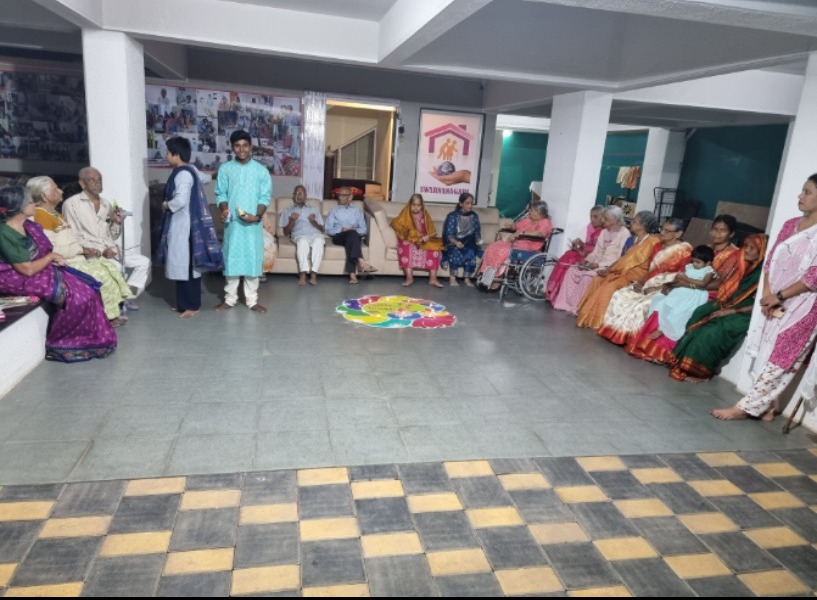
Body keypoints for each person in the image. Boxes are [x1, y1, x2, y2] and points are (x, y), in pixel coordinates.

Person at [711, 175, 817, 421]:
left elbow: (813, 277)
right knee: (765, 352)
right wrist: (769, 293)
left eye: (807, 192)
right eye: (802, 191)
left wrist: (780, 295)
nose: (800, 196)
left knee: (781, 357)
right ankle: (768, 407)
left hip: (804, 306)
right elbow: (770, 260)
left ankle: (744, 408)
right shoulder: (791, 225)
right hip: (774, 300)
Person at [0, 186, 116, 362]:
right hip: (15, 277)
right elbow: (27, 269)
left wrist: (50, 258)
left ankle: (91, 339)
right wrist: (51, 257)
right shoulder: (5, 232)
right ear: (19, 208)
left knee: (89, 289)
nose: (34, 205)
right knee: (75, 298)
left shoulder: (27, 225)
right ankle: (64, 343)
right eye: (30, 202)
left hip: (38, 268)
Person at [626, 214, 742, 365]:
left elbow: (720, 283)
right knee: (661, 301)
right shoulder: (706, 248)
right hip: (689, 286)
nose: (717, 233)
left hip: (709, 292)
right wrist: (671, 284)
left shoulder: (733, 255)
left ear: (731, 234)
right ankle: (646, 347)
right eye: (715, 229)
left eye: (723, 230)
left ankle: (663, 353)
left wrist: (687, 285)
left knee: (679, 308)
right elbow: (686, 271)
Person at [28, 176, 131, 327]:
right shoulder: (40, 216)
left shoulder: (53, 214)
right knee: (99, 275)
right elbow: (51, 248)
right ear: (44, 196)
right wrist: (82, 250)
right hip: (62, 262)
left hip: (76, 256)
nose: (61, 191)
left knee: (108, 268)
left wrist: (86, 250)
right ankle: (102, 318)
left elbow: (73, 239)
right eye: (56, 189)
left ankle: (109, 314)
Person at [670, 234, 766, 382]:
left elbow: (761, 303)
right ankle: (682, 361)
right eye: (746, 246)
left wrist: (732, 311)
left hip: (745, 312)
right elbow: (725, 285)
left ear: (761, 252)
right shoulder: (742, 264)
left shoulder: (764, 274)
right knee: (700, 313)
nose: (746, 250)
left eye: (752, 248)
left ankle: (701, 372)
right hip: (728, 303)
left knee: (712, 332)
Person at [62, 166, 152, 306]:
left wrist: (117, 222)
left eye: (99, 179)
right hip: (92, 253)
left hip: (112, 250)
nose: (97, 183)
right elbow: (74, 236)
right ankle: (117, 301)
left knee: (143, 262)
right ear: (82, 183)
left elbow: (113, 235)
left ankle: (125, 295)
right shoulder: (72, 204)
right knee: (116, 268)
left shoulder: (106, 205)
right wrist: (101, 251)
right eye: (92, 180)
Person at [155, 136, 223, 319]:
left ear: (176, 155)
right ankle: (183, 304)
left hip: (184, 226)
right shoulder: (190, 169)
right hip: (183, 225)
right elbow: (205, 178)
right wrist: (216, 174)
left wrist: (166, 205)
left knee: (187, 267)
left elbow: (180, 200)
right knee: (182, 266)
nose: (166, 156)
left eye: (168, 153)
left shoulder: (183, 174)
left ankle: (192, 306)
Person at [597, 218, 692, 346]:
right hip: (648, 284)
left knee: (640, 306)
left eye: (667, 231)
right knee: (620, 295)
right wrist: (641, 283)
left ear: (678, 234)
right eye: (662, 229)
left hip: (666, 289)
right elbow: (650, 269)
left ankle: (630, 338)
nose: (662, 233)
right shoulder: (657, 246)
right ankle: (614, 333)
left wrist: (656, 289)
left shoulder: (685, 251)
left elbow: (681, 277)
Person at [214, 130, 271, 313]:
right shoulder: (225, 169)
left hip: (253, 226)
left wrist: (257, 216)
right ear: (232, 147)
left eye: (245, 145)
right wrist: (224, 210)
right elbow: (221, 194)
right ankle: (230, 299)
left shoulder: (261, 171)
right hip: (233, 225)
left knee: (252, 261)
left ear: (251, 147)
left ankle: (252, 301)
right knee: (231, 260)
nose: (242, 149)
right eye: (237, 146)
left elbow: (264, 197)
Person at [575, 211, 661, 329]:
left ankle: (598, 321)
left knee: (608, 287)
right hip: (622, 270)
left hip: (635, 275)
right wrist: (608, 269)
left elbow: (650, 264)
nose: (631, 223)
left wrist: (642, 282)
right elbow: (623, 259)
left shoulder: (653, 241)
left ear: (643, 226)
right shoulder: (634, 239)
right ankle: (587, 315)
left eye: (635, 221)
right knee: (597, 279)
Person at [550, 205, 630, 314]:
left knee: (587, 277)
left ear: (615, 220)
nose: (602, 220)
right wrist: (586, 261)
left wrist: (599, 265)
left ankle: (578, 307)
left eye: (605, 218)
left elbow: (619, 257)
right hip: (595, 263)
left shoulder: (624, 233)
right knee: (572, 270)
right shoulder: (604, 232)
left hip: (608, 267)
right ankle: (564, 304)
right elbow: (596, 251)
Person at [476, 201, 553, 290]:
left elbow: (540, 234)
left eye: (531, 210)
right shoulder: (528, 220)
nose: (529, 212)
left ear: (538, 212)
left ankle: (497, 280)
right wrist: (511, 226)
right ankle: (487, 276)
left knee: (503, 251)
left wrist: (522, 233)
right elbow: (516, 226)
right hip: (517, 243)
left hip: (529, 247)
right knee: (493, 246)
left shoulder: (545, 222)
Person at [646, 244, 716, 342]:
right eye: (693, 261)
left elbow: (703, 283)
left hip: (695, 294)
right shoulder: (690, 267)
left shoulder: (708, 271)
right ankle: (659, 326)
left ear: (708, 263)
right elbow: (679, 280)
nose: (694, 264)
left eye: (698, 262)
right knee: (663, 303)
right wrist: (672, 284)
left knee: (679, 311)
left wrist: (686, 279)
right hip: (681, 290)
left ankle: (662, 330)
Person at [546, 205, 605, 303]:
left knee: (570, 259)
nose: (592, 219)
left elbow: (597, 251)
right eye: (591, 216)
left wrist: (582, 249)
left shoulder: (603, 232)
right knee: (568, 254)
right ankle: (554, 292)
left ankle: (559, 294)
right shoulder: (593, 230)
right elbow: (589, 246)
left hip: (592, 259)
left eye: (596, 217)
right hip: (586, 255)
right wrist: (580, 245)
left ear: (603, 218)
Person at [390, 193, 444, 288]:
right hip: (409, 238)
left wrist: (427, 237)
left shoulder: (425, 214)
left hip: (422, 239)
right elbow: (396, 224)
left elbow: (431, 231)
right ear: (410, 204)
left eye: (418, 205)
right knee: (405, 246)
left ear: (422, 206)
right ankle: (409, 278)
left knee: (435, 250)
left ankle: (433, 279)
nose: (416, 208)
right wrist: (409, 233)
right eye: (414, 205)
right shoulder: (405, 213)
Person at [325, 185, 377, 284]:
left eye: (343, 195)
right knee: (353, 236)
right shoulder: (334, 211)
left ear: (350, 197)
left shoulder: (357, 211)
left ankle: (353, 276)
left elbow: (363, 230)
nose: (340, 197)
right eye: (339, 195)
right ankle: (361, 262)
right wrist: (341, 229)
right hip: (339, 236)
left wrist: (353, 230)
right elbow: (328, 230)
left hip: (353, 237)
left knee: (352, 237)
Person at [279, 184, 325, 285]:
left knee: (319, 241)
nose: (299, 196)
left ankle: (314, 274)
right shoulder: (288, 210)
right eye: (297, 193)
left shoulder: (314, 209)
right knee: (302, 242)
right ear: (293, 196)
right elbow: (285, 233)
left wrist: (314, 222)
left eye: (302, 193)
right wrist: (292, 221)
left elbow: (322, 229)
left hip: (315, 234)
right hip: (299, 235)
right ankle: (303, 273)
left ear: (306, 196)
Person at [442, 192, 483, 287]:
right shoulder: (452, 216)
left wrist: (479, 241)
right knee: (455, 250)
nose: (470, 206)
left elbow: (477, 232)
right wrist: (456, 242)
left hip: (469, 242)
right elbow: (449, 234)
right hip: (455, 241)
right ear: (461, 204)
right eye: (467, 203)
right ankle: (453, 278)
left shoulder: (474, 216)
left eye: (471, 203)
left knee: (471, 251)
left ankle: (467, 278)